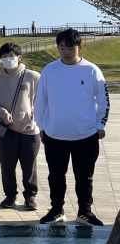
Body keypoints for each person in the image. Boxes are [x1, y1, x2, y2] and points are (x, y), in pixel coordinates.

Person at [35, 29, 110, 225]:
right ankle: (56, 210)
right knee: (56, 176)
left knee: (84, 177)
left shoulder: (91, 70)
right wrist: (41, 127)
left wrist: (100, 124)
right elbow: (40, 101)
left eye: (70, 47)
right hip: (55, 135)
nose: (66, 52)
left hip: (86, 135)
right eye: (62, 47)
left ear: (80, 47)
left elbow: (103, 100)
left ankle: (85, 212)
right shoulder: (49, 70)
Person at [0, 42, 40, 211]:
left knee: (29, 166)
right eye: (4, 57)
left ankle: (30, 196)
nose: (8, 59)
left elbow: (43, 99)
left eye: (11, 56)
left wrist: (35, 117)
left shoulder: (33, 76)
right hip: (7, 130)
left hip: (30, 130)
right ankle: (10, 196)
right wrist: (2, 112)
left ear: (19, 57)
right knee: (7, 165)